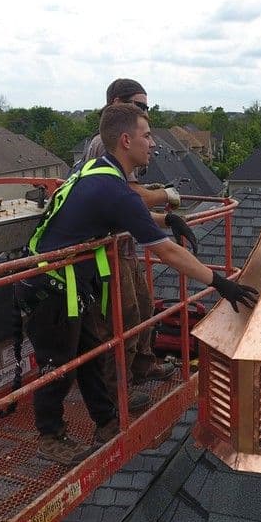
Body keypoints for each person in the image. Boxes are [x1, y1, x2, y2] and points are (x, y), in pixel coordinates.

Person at [23, 102, 258, 463]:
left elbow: (125, 211)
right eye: (147, 136)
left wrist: (166, 219)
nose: (153, 144)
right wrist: (220, 283)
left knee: (88, 356)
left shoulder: (98, 171)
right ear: (125, 140)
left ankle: (105, 421)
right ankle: (49, 436)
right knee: (59, 365)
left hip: (65, 281)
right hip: (50, 287)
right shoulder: (113, 187)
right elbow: (168, 254)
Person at [83, 79, 181, 413]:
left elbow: (131, 202)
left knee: (141, 306)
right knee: (119, 320)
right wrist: (164, 196)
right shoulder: (103, 146)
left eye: (146, 107)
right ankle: (116, 395)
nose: (143, 114)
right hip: (106, 251)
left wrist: (164, 220)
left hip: (123, 246)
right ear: (115, 103)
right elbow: (133, 197)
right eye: (138, 106)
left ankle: (143, 364)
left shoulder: (118, 147)